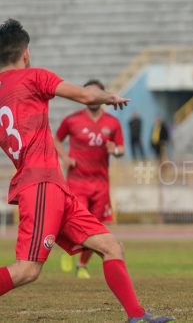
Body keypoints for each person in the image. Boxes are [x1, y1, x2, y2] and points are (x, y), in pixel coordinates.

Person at [0, 19, 173, 322]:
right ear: (25, 53)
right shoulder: (33, 76)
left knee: (111, 246)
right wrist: (110, 97)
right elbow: (86, 96)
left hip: (54, 186)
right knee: (27, 269)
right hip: (40, 184)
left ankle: (136, 315)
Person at [54, 79, 124, 279]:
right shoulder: (72, 120)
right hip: (77, 181)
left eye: (96, 93)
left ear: (102, 96)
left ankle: (82, 265)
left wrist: (115, 150)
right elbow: (56, 139)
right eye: (88, 92)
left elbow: (121, 149)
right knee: (79, 223)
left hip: (101, 183)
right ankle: (69, 250)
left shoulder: (113, 123)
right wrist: (65, 158)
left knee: (98, 226)